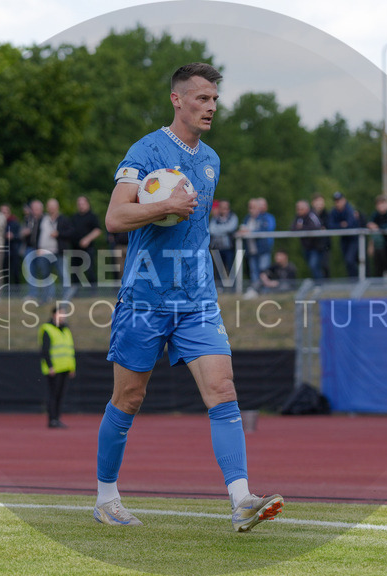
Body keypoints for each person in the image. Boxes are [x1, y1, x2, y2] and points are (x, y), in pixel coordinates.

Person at [98, 62, 283, 531]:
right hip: (144, 297)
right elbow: (115, 219)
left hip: (197, 298)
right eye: (202, 98)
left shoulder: (212, 160)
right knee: (129, 398)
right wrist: (163, 205)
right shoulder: (145, 150)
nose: (211, 107)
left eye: (215, 99)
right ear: (177, 100)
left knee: (223, 389)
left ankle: (241, 498)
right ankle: (106, 497)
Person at [39, 304, 76, 429]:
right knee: (53, 394)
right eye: (61, 313)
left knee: (61, 395)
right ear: (54, 315)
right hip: (54, 369)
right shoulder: (47, 329)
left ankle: (57, 418)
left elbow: (69, 350)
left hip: (65, 367)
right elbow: (45, 350)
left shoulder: (66, 330)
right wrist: (50, 366)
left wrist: (72, 367)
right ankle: (52, 419)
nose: (63, 316)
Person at [70, 196, 102, 287]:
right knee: (75, 271)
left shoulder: (92, 216)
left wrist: (87, 239)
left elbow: (98, 230)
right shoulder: (74, 217)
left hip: (88, 249)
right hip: (75, 249)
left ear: (87, 204)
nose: (81, 206)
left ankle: (92, 292)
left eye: (83, 203)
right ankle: (76, 293)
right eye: (79, 204)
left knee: (90, 271)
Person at [327, 191, 360, 277]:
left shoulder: (349, 209)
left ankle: (357, 280)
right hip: (344, 239)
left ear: (344, 200)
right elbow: (330, 225)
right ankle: (353, 280)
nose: (338, 203)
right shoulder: (334, 211)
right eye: (336, 201)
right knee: (348, 261)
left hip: (354, 239)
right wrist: (341, 224)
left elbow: (350, 224)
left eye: (339, 200)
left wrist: (339, 225)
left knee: (352, 260)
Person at [208, 199, 239, 288]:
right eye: (222, 208)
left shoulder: (233, 217)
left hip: (228, 247)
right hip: (216, 247)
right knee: (218, 269)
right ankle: (220, 287)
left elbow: (231, 227)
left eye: (226, 208)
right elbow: (212, 230)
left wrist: (219, 229)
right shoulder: (214, 218)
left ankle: (234, 288)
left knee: (231, 268)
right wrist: (224, 230)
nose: (224, 210)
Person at [291, 199, 325, 280]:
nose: (298, 211)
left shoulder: (312, 215)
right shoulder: (298, 217)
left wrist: (302, 228)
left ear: (306, 208)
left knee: (314, 266)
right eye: (297, 209)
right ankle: (318, 284)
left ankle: (319, 285)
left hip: (316, 247)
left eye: (300, 209)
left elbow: (317, 227)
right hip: (306, 247)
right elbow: (292, 228)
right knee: (312, 267)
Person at [366, 195, 387, 278]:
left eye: (382, 203)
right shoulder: (376, 215)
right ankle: (379, 289)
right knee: (378, 269)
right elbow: (370, 224)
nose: (381, 206)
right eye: (379, 204)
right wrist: (371, 245)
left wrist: (377, 226)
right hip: (378, 246)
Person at [310, 193, 331, 278]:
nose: (319, 205)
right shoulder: (309, 215)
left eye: (321, 202)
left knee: (325, 265)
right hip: (313, 245)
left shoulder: (327, 214)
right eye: (317, 202)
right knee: (314, 265)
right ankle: (319, 284)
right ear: (313, 203)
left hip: (325, 245)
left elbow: (330, 225)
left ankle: (326, 284)